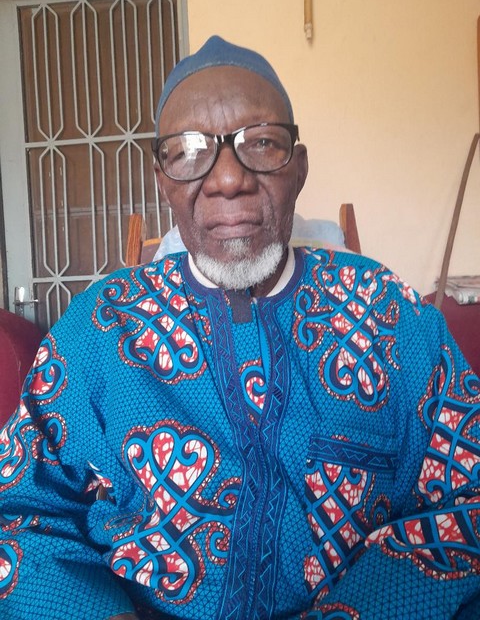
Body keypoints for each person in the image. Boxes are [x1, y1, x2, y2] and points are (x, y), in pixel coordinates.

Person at [0, 36, 479, 620]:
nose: (228, 179)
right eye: (189, 151)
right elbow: (16, 514)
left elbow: (470, 498)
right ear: (162, 180)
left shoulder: (389, 314)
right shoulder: (98, 330)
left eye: (262, 143)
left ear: (298, 168)